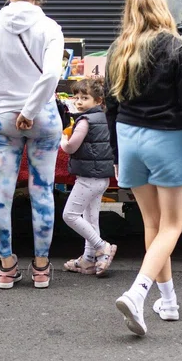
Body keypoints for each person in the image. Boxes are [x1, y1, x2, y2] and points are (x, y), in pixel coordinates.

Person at [106, 0, 182, 337]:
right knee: (171, 226)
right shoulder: (177, 47)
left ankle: (168, 302)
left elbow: (110, 108)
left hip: (128, 136)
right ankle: (138, 294)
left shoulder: (118, 49)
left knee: (153, 224)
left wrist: (117, 156)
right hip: (165, 139)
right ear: (162, 9)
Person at [0, 0, 64, 290]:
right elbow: (53, 73)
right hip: (41, 118)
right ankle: (41, 268)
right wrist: (30, 110)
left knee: (1, 194)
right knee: (43, 192)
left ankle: (7, 267)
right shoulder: (50, 27)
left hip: (2, 118)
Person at [60, 78, 117, 277]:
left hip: (87, 177)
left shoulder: (84, 121)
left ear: (98, 100)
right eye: (76, 97)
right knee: (91, 218)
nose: (79, 102)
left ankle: (103, 247)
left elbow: (71, 147)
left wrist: (63, 141)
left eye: (85, 98)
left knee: (70, 215)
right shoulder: (104, 117)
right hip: (102, 178)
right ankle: (88, 260)